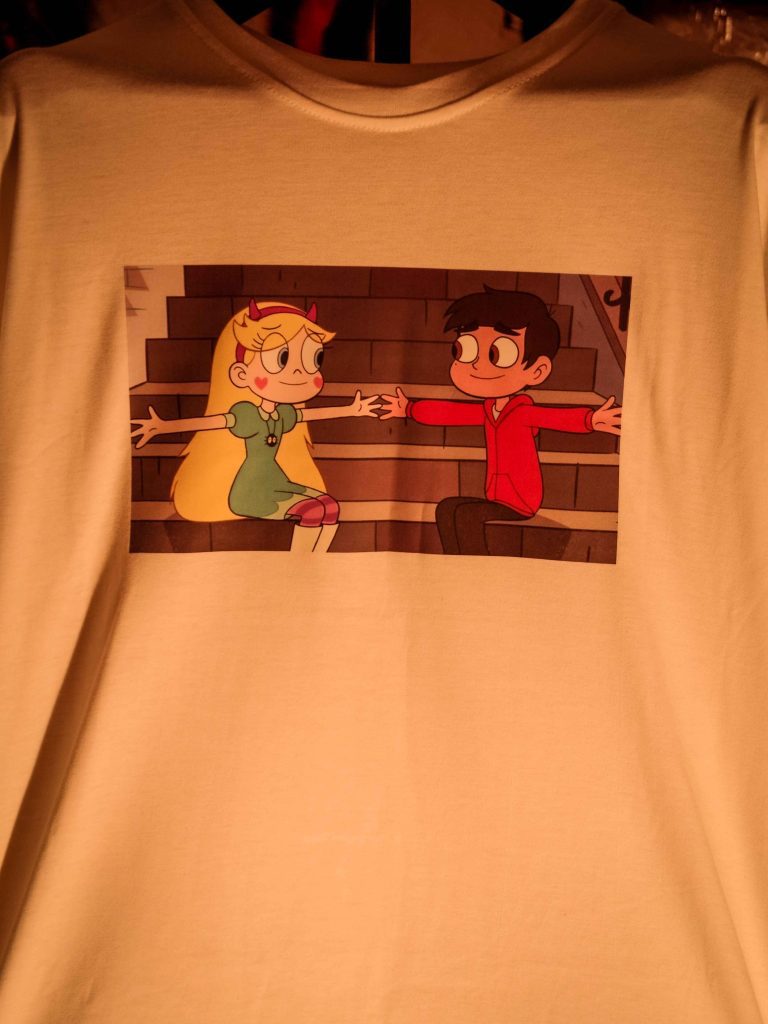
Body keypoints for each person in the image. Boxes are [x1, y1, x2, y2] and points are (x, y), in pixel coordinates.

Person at [380, 285, 622, 555]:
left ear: (537, 370)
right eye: (464, 350)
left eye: (497, 354)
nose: (476, 365)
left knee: (465, 515)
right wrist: (410, 409)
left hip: (520, 501)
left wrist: (591, 419)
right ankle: (457, 565)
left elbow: (555, 418)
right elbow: (451, 413)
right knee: (447, 508)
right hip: (496, 495)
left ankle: (476, 565)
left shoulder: (522, 412)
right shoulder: (489, 410)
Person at [130, 298, 380, 552]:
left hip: (277, 480)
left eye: (314, 359)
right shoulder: (246, 414)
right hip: (250, 491)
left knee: (331, 507)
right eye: (282, 358)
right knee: (313, 511)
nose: (299, 373)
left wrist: (351, 410)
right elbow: (213, 423)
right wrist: (163, 427)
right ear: (241, 374)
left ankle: (314, 561)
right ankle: (298, 563)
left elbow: (310, 415)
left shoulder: (283, 414)